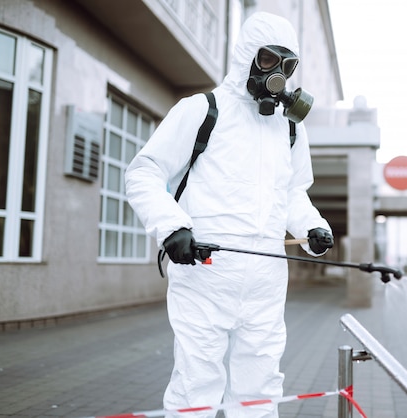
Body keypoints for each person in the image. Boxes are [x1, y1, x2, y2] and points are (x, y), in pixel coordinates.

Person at [125, 11, 333, 418]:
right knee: (195, 386)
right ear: (247, 57)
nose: (279, 75)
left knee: (260, 387)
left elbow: (293, 193)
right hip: (206, 272)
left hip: (266, 279)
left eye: (288, 66)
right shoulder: (203, 109)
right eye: (270, 61)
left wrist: (313, 226)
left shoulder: (289, 129)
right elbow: (144, 172)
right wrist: (172, 227)